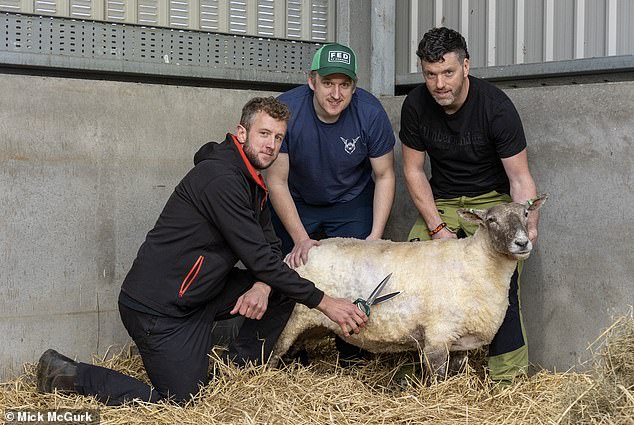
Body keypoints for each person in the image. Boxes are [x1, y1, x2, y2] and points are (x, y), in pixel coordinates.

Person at [35, 97, 368, 405]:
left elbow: (269, 248)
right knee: (181, 401)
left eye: (279, 138)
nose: (271, 145)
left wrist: (263, 285)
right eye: (264, 133)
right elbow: (259, 257)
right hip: (159, 310)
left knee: (280, 290)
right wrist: (326, 303)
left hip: (200, 294)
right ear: (241, 133)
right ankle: (69, 375)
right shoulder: (220, 179)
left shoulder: (253, 180)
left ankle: (239, 372)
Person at [399, 27, 540, 383]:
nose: (439, 83)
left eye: (447, 72)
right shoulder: (415, 105)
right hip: (443, 200)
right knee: (412, 268)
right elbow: (413, 171)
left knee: (504, 280)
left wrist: (528, 226)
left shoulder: (496, 107)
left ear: (466, 66)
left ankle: (509, 378)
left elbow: (520, 179)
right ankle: (417, 370)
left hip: (493, 203)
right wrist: (435, 227)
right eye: (430, 74)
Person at [266, 43, 396, 363]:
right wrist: (300, 239)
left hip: (351, 200)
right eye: (328, 83)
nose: (336, 93)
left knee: (357, 274)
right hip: (297, 198)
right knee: (288, 269)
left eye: (345, 84)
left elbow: (385, 176)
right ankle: (286, 350)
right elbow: (275, 181)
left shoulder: (370, 112)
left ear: (354, 86)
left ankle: (352, 350)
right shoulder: (286, 110)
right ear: (312, 81)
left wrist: (375, 237)